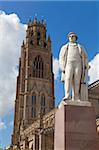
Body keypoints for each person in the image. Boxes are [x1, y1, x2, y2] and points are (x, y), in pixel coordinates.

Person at [59, 32, 88, 101]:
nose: (71, 37)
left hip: (78, 64)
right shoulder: (65, 47)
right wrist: (62, 67)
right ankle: (67, 95)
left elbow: (85, 57)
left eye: (73, 36)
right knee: (68, 79)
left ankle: (76, 97)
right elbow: (61, 57)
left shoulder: (80, 47)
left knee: (77, 81)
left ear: (76, 38)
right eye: (70, 36)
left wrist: (86, 64)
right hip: (69, 64)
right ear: (68, 38)